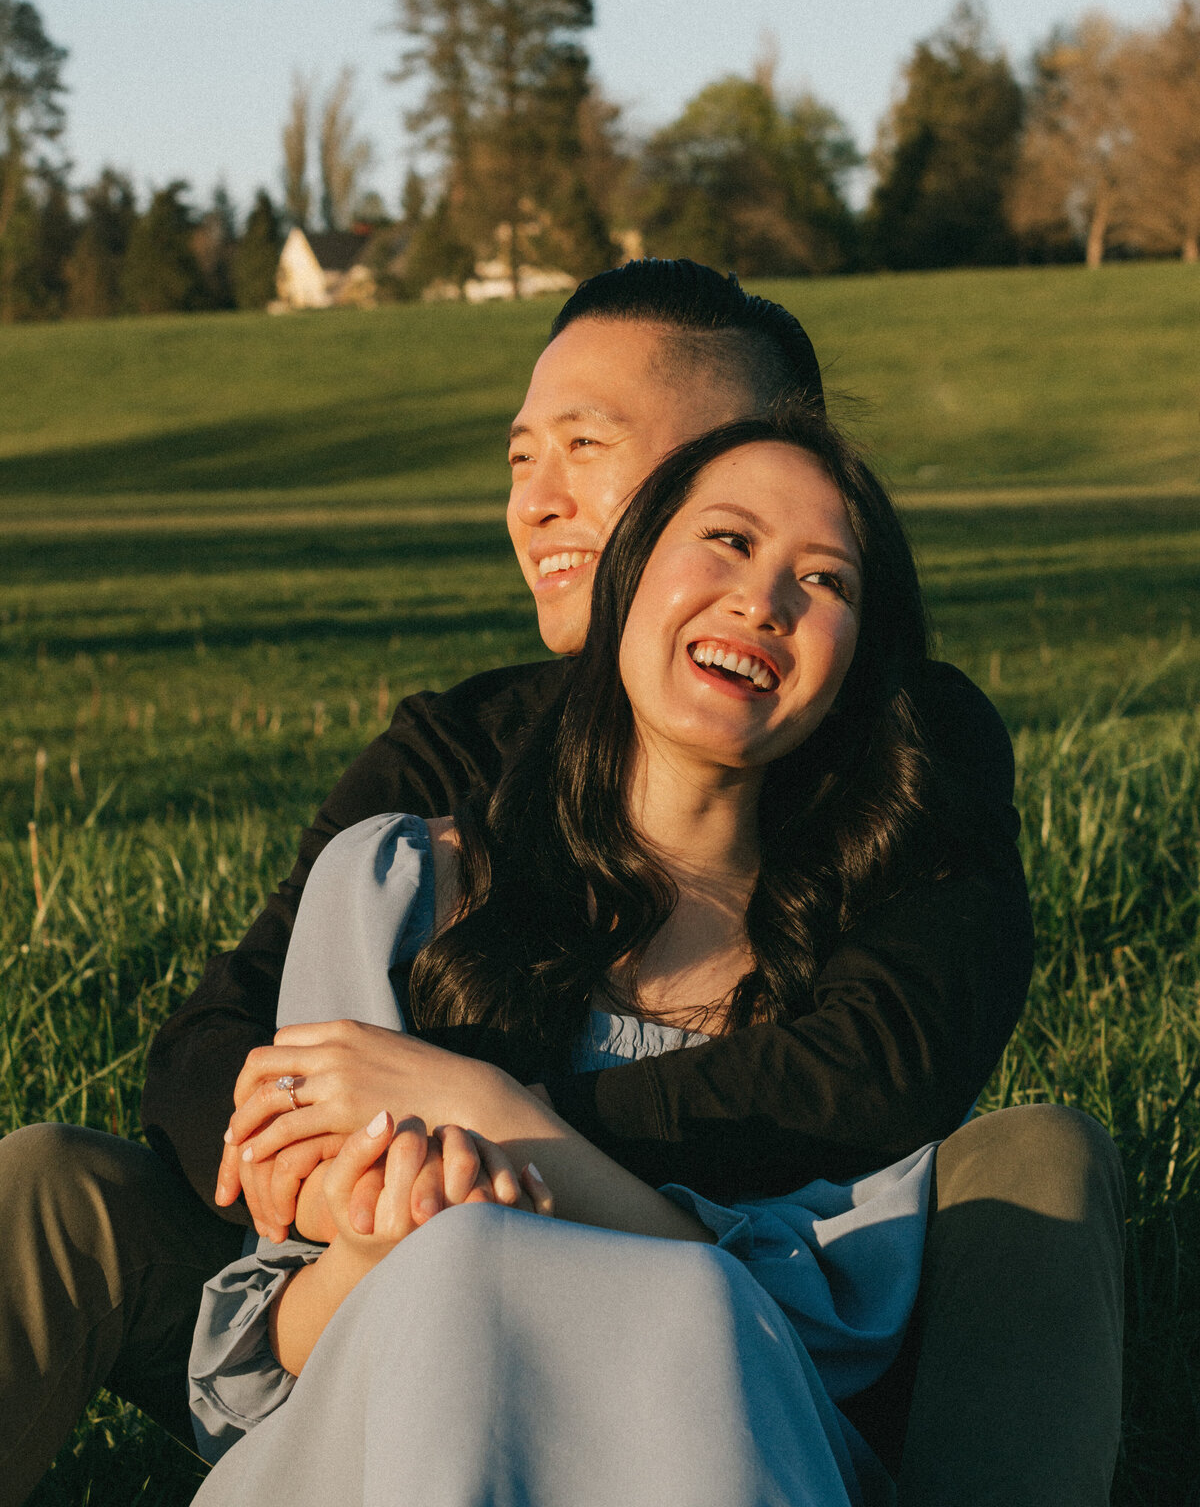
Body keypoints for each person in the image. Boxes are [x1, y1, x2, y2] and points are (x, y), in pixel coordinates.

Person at [0, 262, 1123, 1506]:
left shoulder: (900, 755)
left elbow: (874, 1068)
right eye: (522, 458)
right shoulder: (445, 770)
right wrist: (354, 1174)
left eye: (585, 448)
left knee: (1041, 1166)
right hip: (374, 1290)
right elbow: (227, 1040)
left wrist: (505, 1133)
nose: (537, 503)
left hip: (782, 1303)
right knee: (49, 1184)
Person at [189, 404, 950, 1506]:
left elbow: (812, 1352)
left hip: (697, 1447)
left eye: (825, 581)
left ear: (853, 666)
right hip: (391, 1437)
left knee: (671, 1302)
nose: (764, 598)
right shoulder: (396, 889)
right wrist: (373, 1247)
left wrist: (488, 1115)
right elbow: (259, 1373)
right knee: (452, 1273)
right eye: (728, 542)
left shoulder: (865, 980)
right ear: (631, 576)